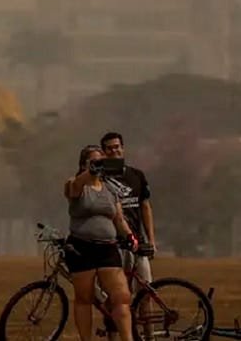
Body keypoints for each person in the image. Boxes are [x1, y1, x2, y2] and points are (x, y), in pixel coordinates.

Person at [64, 145, 138, 341]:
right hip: (82, 247)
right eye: (93, 161)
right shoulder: (75, 184)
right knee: (84, 298)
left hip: (108, 247)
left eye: (101, 162)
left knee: (121, 297)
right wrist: (90, 172)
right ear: (83, 164)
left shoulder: (110, 189)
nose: (98, 166)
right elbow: (74, 189)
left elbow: (119, 218)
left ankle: (127, 338)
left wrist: (130, 236)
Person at [98, 131, 156, 340]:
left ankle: (149, 336)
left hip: (137, 243)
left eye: (117, 147)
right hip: (114, 245)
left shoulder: (136, 175)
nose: (115, 151)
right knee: (116, 297)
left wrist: (151, 239)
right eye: (109, 148)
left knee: (145, 293)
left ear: (123, 148)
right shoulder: (100, 179)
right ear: (103, 152)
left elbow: (145, 207)